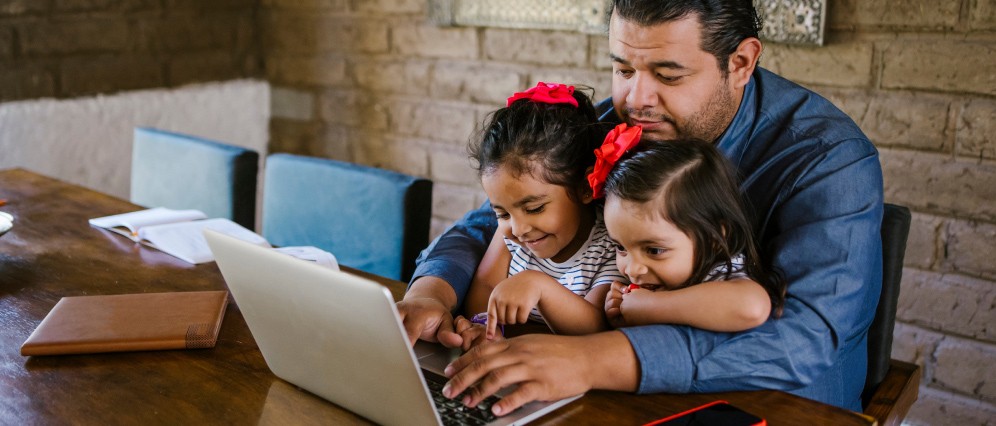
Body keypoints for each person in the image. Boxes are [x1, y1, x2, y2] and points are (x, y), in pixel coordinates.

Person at [399, 0, 884, 416]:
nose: (635, 99)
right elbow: (488, 222)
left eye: (667, 74)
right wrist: (431, 294)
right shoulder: (619, 124)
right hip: (613, 397)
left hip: (774, 407)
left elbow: (804, 339)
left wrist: (593, 359)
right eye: (623, 69)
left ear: (740, 61)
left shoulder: (828, 158)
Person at [460, 82, 626, 342]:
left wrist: (539, 286)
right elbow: (484, 289)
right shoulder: (513, 237)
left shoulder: (608, 246)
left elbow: (594, 329)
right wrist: (485, 329)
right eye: (502, 214)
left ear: (584, 187)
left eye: (534, 208)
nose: (518, 229)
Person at [593, 137, 785, 332]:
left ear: (713, 239)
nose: (632, 270)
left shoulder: (720, 272)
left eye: (654, 250)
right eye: (621, 248)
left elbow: (752, 307)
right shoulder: (655, 279)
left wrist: (653, 306)